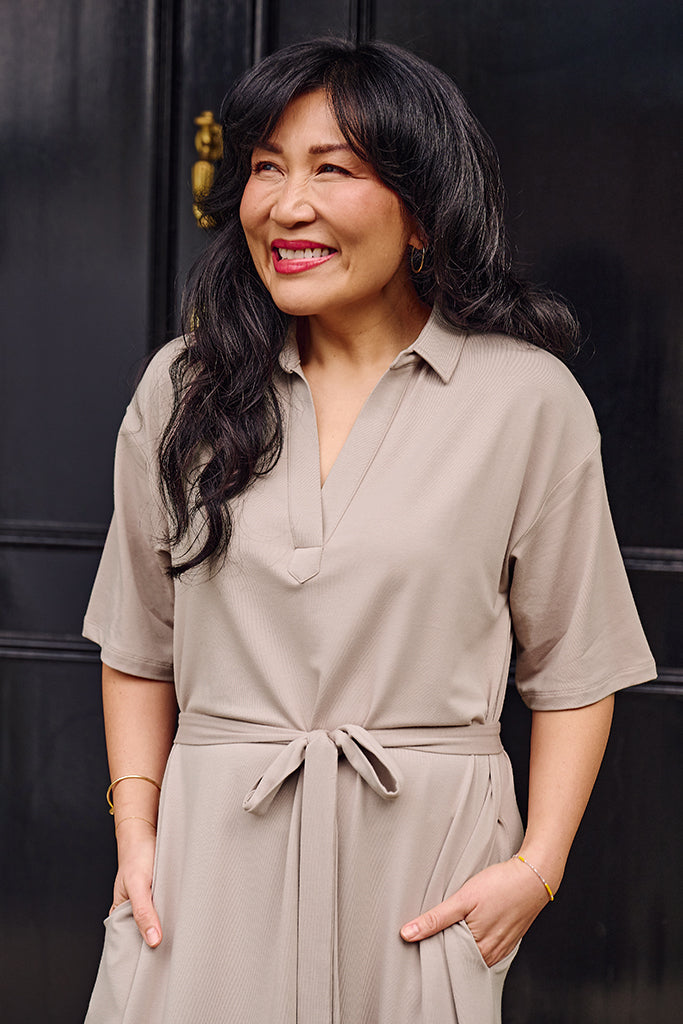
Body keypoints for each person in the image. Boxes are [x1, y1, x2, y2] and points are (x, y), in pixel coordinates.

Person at [82, 38, 656, 1024]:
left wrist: (536, 867)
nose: (285, 205)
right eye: (266, 166)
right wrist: (139, 836)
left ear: (424, 210)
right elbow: (137, 647)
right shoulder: (185, 387)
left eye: (331, 170)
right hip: (206, 861)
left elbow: (574, 667)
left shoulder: (524, 401)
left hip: (422, 872)